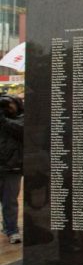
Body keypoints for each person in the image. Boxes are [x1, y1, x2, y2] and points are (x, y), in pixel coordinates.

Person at [0, 95, 24, 244]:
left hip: (12, 168)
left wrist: (2, 118)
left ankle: (12, 230)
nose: (6, 107)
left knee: (9, 202)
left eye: (9, 104)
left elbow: (19, 130)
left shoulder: (22, 118)